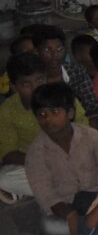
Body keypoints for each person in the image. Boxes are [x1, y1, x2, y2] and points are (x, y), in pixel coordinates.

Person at [26, 83, 98, 235]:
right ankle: (96, 231)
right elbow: (45, 194)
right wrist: (70, 215)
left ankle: (92, 230)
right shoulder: (36, 151)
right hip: (63, 208)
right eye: (41, 114)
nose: (48, 119)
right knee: (49, 225)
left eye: (54, 111)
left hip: (96, 198)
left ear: (70, 113)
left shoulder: (91, 137)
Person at [0, 53, 89, 204]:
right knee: (4, 178)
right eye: (26, 84)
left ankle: (32, 192)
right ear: (14, 87)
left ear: (46, 78)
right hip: (33, 163)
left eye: (39, 80)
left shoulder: (64, 98)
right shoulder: (7, 110)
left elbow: (85, 133)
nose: (35, 88)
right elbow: (7, 153)